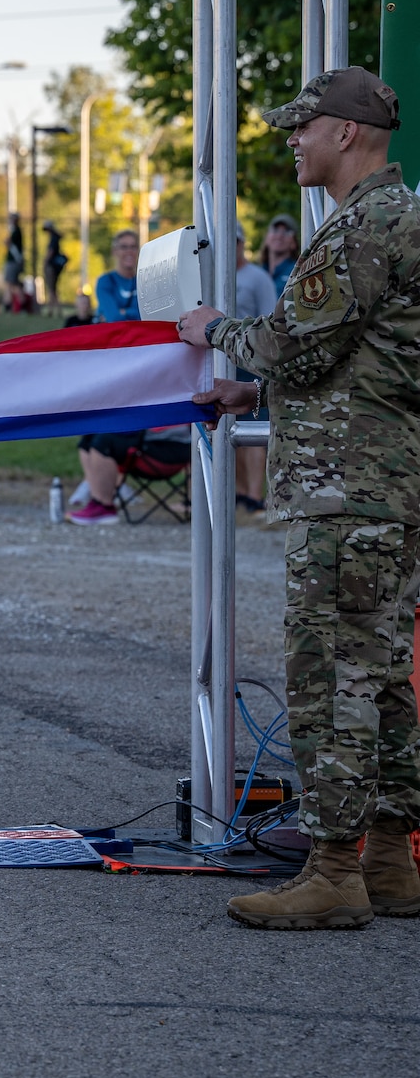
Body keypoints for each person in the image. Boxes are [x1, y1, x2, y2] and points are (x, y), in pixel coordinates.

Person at [175, 66, 420, 930]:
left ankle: (332, 871)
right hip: (380, 487)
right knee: (381, 679)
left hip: (350, 497)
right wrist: (261, 398)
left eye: (303, 127)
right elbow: (353, 363)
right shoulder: (390, 218)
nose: (292, 140)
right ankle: (389, 860)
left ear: (346, 133)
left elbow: (289, 339)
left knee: (332, 684)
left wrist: (214, 333)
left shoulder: (365, 226)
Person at [232, 222, 280, 511]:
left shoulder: (257, 278)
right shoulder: (209, 276)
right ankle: (237, 491)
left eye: (235, 241)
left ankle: (254, 494)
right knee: (228, 427)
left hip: (250, 361)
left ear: (242, 243)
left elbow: (270, 317)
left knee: (252, 429)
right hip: (221, 361)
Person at [93, 229, 141, 322]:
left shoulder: (143, 283)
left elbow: (146, 318)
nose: (129, 251)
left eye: (133, 247)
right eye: (124, 247)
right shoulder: (105, 281)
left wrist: (124, 312)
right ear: (114, 251)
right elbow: (114, 318)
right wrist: (132, 312)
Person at [264, 213, 300, 293]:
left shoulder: (297, 272)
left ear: (294, 242)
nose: (279, 235)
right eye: (275, 230)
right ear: (266, 238)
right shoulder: (258, 271)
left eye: (286, 232)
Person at [42, 221, 68, 314]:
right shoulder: (55, 238)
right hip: (55, 266)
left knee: (52, 288)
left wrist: (44, 263)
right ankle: (53, 308)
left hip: (52, 266)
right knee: (53, 288)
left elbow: (51, 251)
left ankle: (55, 309)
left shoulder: (53, 239)